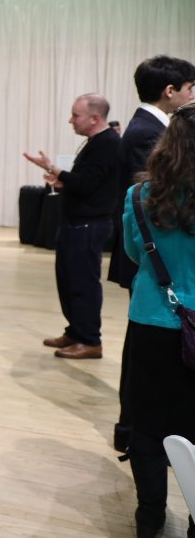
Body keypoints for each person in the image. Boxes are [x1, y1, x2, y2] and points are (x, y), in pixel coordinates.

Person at [109, 55, 195, 453]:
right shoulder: (146, 131)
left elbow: (135, 242)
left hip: (154, 296)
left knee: (148, 394)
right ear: (170, 90)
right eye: (190, 88)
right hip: (166, 293)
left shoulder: (149, 139)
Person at [121, 102, 195, 538]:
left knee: (147, 425)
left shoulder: (139, 196)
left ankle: (149, 516)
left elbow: (134, 254)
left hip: (152, 320)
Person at [25, 93, 120, 359]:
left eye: (76, 116)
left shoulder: (107, 144)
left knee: (83, 284)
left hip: (89, 225)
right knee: (68, 281)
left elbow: (87, 183)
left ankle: (90, 340)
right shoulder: (97, 142)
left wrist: (54, 169)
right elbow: (89, 182)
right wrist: (63, 181)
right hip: (77, 223)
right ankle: (76, 331)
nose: (71, 120)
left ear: (95, 118)